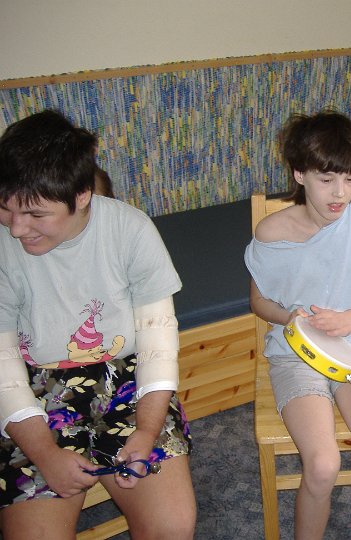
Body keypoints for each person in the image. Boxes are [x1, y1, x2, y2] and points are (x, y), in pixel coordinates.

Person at [0, 110, 196, 539]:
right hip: (35, 390)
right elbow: (4, 370)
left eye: (35, 214)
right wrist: (44, 454)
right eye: (5, 208)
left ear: (82, 194)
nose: (16, 228)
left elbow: (158, 345)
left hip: (126, 379)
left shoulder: (131, 230)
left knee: (172, 528)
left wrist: (147, 430)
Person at [244, 110, 351, 539]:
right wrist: (289, 316)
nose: (340, 193)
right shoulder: (272, 231)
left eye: (350, 179)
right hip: (294, 353)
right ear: (300, 174)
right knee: (322, 465)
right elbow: (259, 301)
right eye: (326, 179)